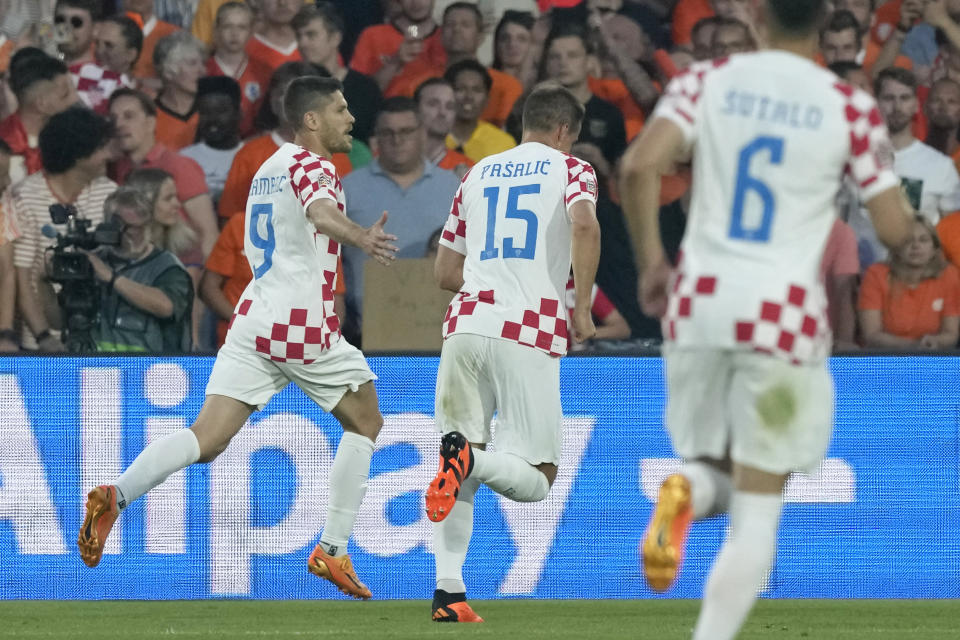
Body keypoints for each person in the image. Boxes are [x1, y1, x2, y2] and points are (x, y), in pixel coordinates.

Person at [618, 2, 912, 639]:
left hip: (699, 303)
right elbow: (891, 228)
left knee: (715, 466)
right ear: (825, 21)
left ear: (754, 16)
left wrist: (651, 263)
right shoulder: (850, 106)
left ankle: (690, 490)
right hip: (781, 319)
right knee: (759, 507)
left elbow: (640, 165)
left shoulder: (703, 81)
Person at [78, 76, 400, 601]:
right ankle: (333, 550)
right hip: (298, 321)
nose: (351, 119)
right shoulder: (315, 165)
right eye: (341, 110)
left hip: (253, 318)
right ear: (312, 121)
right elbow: (320, 213)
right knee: (366, 420)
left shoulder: (267, 170)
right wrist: (361, 236)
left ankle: (116, 495)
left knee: (207, 439)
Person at [425, 81, 600, 622]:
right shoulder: (572, 169)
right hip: (526, 331)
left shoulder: (475, 173)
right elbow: (585, 224)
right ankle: (469, 459)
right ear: (565, 131)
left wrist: (489, 287)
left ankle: (448, 593)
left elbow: (444, 272)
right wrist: (584, 307)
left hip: (464, 327)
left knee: (460, 461)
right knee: (539, 478)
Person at [341, 96, 460, 339]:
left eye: (406, 131)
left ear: (423, 134)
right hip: (364, 332)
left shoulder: (455, 188)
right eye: (388, 132)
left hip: (442, 330)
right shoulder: (347, 190)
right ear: (376, 138)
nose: (397, 140)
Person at [11, 107, 117, 351]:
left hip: (101, 338)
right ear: (79, 155)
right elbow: (22, 277)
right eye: (101, 148)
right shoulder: (23, 198)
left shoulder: (109, 193)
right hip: (39, 343)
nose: (108, 156)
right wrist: (43, 337)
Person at [108, 88, 219, 260]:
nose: (118, 124)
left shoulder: (178, 165)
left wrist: (194, 283)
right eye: (113, 118)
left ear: (151, 123)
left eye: (129, 116)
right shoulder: (116, 168)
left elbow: (208, 234)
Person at [87, 187, 194, 352]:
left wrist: (112, 278)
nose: (141, 233)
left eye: (144, 225)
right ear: (112, 226)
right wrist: (43, 281)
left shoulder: (167, 267)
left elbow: (165, 306)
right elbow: (57, 320)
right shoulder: (94, 262)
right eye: (132, 228)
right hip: (97, 368)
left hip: (151, 370)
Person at [859, 213, 960, 349]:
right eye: (907, 240)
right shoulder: (876, 274)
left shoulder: (948, 275)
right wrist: (913, 346)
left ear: (934, 249)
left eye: (923, 240)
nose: (915, 246)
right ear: (896, 247)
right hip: (884, 359)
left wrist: (936, 342)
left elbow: (951, 334)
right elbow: (871, 335)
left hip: (932, 358)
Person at [875, 67, 960, 223]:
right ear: (875, 103)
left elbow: (951, 235)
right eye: (888, 98)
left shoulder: (942, 167)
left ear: (916, 105)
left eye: (905, 98)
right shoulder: (853, 158)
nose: (897, 106)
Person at [293, 2, 382, 144]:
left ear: (335, 38)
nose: (302, 43)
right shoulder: (290, 84)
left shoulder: (365, 88)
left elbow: (375, 140)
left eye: (311, 35)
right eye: (299, 36)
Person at [0, 51, 78, 185]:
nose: (75, 99)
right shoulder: (4, 142)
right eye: (65, 94)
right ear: (42, 104)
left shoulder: (74, 139)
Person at [205, 1, 272, 139]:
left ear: (251, 32)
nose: (234, 33)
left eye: (241, 27)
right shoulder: (202, 70)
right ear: (216, 30)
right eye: (227, 26)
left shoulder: (264, 72)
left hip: (253, 145)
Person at [180, 76, 244, 207]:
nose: (212, 119)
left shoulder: (254, 155)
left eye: (221, 111)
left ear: (238, 113)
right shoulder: (184, 159)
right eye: (205, 112)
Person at [444, 60, 516, 163]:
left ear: (487, 100)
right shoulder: (427, 138)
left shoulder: (503, 144)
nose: (469, 96)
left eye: (477, 90)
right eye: (460, 89)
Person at [152, 31, 206, 150]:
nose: (202, 71)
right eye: (192, 64)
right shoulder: (150, 116)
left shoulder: (211, 110)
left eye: (203, 64)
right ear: (168, 70)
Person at [415, 78, 473, 177]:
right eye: (433, 104)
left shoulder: (469, 170)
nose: (442, 112)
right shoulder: (388, 159)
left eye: (450, 107)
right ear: (415, 110)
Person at [0, 139, 16, 351]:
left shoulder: (3, 210)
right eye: (1, 173)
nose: (8, 181)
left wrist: (5, 332)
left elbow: (7, 273)